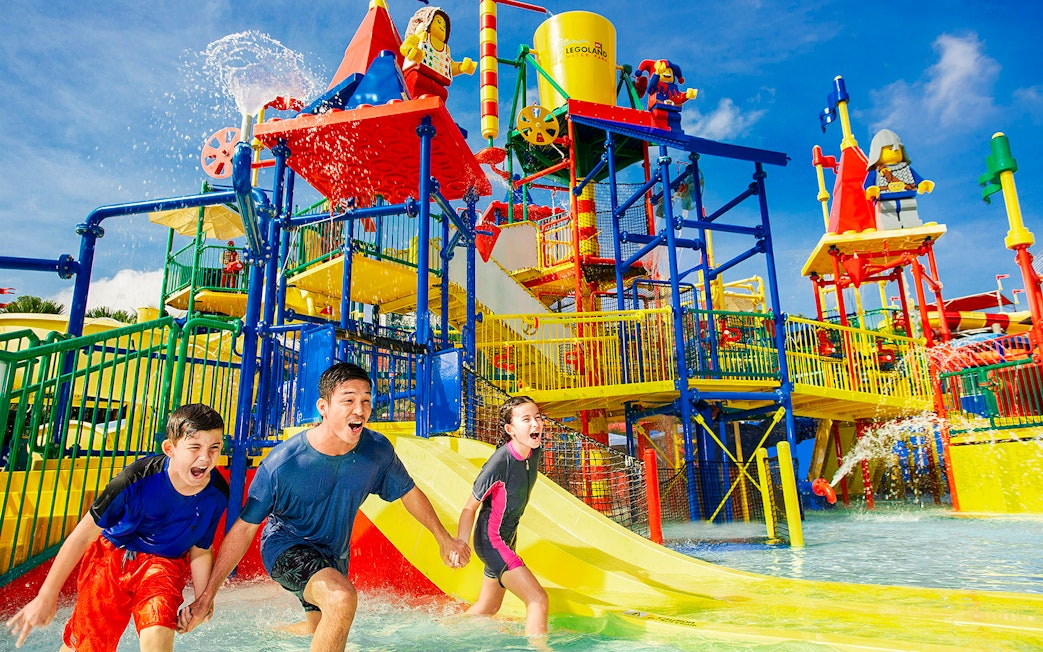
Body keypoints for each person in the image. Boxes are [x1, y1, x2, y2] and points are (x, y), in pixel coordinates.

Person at [182, 362, 470, 651]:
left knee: (320, 627)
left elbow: (408, 492)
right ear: (323, 407)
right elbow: (244, 529)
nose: (360, 409)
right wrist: (208, 595)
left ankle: (264, 636)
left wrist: (444, 539)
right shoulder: (283, 464)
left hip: (334, 555)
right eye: (348, 400)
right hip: (287, 547)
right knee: (341, 598)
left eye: (366, 400)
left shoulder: (377, 451)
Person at [6, 404, 228, 651]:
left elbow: (200, 548)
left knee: (158, 635)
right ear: (170, 449)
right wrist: (47, 595)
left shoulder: (216, 494)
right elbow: (81, 537)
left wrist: (201, 601)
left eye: (214, 448)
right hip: (111, 557)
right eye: (195, 447)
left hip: (163, 565)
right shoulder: (134, 480)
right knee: (87, 646)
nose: (205, 458)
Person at [456, 395, 549, 636]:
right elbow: (469, 508)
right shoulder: (499, 462)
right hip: (492, 541)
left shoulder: (533, 451)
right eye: (526, 419)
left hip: (508, 537)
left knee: (489, 607)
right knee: (537, 599)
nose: (535, 424)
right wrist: (461, 544)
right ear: (510, 429)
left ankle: (445, 632)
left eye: (538, 417)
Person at [400, 6, 476, 102]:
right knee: (417, 88)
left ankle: (434, 110)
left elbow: (449, 67)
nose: (442, 27)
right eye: (438, 22)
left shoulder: (445, 49)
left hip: (438, 84)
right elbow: (404, 47)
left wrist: (462, 67)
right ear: (426, 22)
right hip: (418, 76)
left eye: (444, 26)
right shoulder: (419, 38)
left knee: (441, 94)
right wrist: (411, 51)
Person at [864, 128, 934, 230]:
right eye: (889, 148)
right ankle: (890, 226)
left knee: (909, 212)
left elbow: (917, 179)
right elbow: (868, 185)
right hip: (885, 200)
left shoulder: (906, 169)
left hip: (907, 197)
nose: (895, 150)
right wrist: (872, 190)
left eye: (898, 148)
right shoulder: (877, 172)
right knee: (888, 215)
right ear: (877, 152)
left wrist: (923, 184)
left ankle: (912, 224)